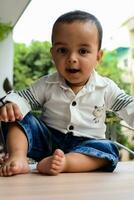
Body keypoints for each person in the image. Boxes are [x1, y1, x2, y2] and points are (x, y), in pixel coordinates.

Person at [0, 10, 134, 177]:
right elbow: (22, 98)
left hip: (86, 145)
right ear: (53, 55)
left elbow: (129, 105)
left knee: (108, 149)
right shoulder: (47, 84)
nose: (72, 58)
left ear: (98, 57)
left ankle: (66, 163)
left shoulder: (105, 87)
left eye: (83, 51)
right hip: (47, 141)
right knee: (16, 115)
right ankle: (18, 157)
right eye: (63, 50)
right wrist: (12, 105)